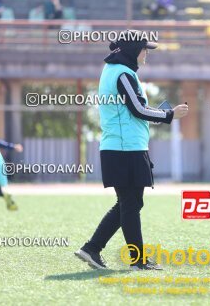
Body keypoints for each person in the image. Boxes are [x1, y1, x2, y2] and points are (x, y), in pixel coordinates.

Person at [75, 30, 189, 270]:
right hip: (125, 149)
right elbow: (139, 110)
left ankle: (92, 248)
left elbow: (136, 109)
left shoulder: (112, 71)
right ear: (132, 51)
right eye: (144, 48)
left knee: (129, 203)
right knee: (130, 203)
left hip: (121, 147)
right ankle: (136, 261)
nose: (147, 53)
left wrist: (160, 114)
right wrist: (170, 114)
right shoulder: (124, 74)